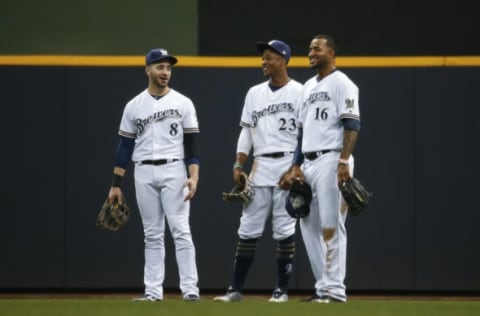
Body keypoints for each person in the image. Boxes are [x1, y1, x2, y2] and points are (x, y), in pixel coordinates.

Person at [107, 48, 201, 302]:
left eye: (169, 68)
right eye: (160, 67)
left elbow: (192, 146)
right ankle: (152, 292)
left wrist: (193, 176)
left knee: (181, 230)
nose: (165, 72)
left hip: (174, 169)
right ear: (147, 69)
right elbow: (124, 147)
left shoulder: (183, 103)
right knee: (152, 234)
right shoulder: (134, 106)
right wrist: (116, 185)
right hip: (143, 171)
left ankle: (190, 291)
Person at [213, 40, 303, 303]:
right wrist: (238, 164)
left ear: (283, 60)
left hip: (287, 164)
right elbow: (246, 132)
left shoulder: (300, 91)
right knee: (248, 228)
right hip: (261, 166)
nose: (263, 62)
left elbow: (304, 134)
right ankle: (235, 289)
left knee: (284, 228)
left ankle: (281, 291)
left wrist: (296, 167)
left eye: (269, 57)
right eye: (263, 58)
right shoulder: (254, 93)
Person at [280, 34, 361, 303]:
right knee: (306, 223)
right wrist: (295, 165)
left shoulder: (343, 83)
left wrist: (343, 162)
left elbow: (352, 126)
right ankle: (323, 288)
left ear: (332, 53)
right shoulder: (307, 87)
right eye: (310, 49)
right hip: (309, 162)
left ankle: (335, 290)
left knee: (331, 225)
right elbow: (302, 131)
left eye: (318, 48)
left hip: (332, 158)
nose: (311, 52)